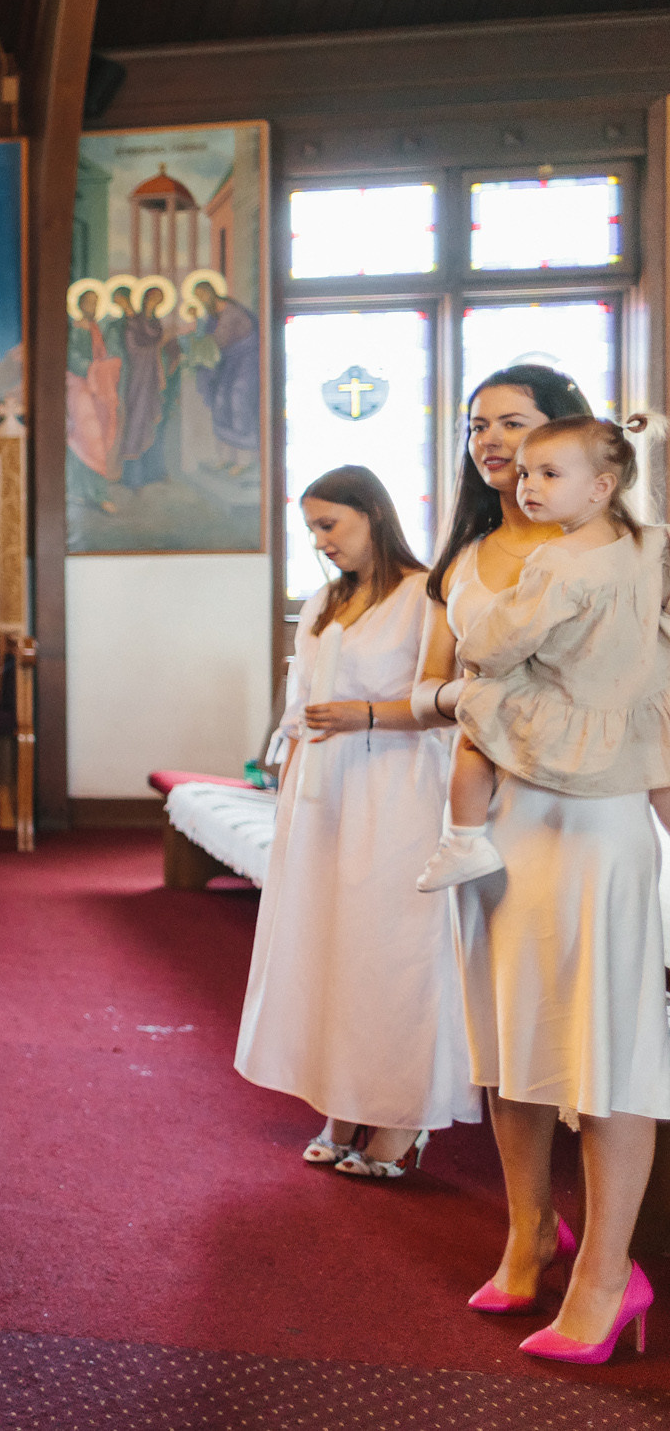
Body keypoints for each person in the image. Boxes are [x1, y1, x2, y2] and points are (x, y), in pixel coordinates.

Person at [410, 365, 670, 1363]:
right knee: (509, 1041)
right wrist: (469, 710)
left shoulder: (632, 553)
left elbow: (653, 691)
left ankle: (609, 1275)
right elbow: (435, 687)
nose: (495, 444)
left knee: (604, 1048)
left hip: (595, 814)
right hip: (500, 812)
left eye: (515, 426)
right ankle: (526, 1236)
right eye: (480, 426)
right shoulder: (472, 555)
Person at [233, 467, 478, 1180]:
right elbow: (299, 697)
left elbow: (447, 700)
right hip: (324, 790)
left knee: (390, 952)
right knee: (330, 948)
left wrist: (365, 714)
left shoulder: (424, 595)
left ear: (373, 513)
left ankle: (401, 1117)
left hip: (397, 786)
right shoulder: (321, 603)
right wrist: (289, 764)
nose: (320, 540)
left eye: (330, 523)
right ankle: (343, 1101)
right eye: (311, 527)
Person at [422, 415, 670, 892]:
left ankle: (463, 839)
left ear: (601, 486)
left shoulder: (556, 561)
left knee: (477, 715)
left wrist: (475, 655)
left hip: (575, 706)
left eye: (549, 475)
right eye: (524, 473)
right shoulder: (649, 541)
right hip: (639, 697)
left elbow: (505, 638)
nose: (529, 486)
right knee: (660, 766)